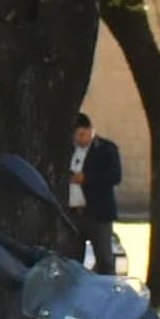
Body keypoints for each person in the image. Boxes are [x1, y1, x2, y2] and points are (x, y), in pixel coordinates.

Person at [68, 114, 126, 273]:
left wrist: (87, 178)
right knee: (73, 258)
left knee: (104, 258)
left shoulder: (106, 149)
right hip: (74, 213)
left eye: (82, 134)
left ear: (90, 130)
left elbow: (115, 176)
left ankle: (108, 290)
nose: (79, 139)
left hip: (98, 212)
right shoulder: (69, 151)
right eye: (75, 136)